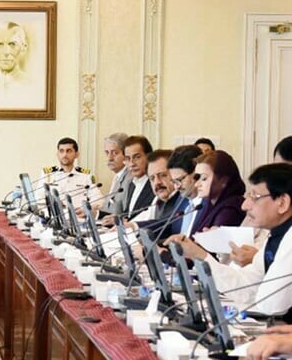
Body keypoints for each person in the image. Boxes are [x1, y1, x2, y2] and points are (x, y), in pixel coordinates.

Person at [167, 163, 292, 317]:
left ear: (283, 202)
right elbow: (244, 286)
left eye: (255, 197)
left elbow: (271, 305)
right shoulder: (275, 235)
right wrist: (199, 255)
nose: (245, 205)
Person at [0, 22, 45, 110]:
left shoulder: (36, 88)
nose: (6, 52)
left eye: (12, 44)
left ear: (24, 48)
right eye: (0, 44)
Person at [39, 137, 101, 211]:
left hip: (78, 218)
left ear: (77, 154)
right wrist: (52, 204)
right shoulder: (48, 174)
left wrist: (85, 209)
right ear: (57, 154)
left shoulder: (86, 176)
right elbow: (38, 199)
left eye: (69, 151)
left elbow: (98, 200)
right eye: (61, 151)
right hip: (55, 218)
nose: (65, 155)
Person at [120, 135, 156, 216]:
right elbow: (129, 215)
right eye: (128, 159)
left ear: (148, 156)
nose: (132, 164)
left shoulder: (155, 184)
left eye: (137, 157)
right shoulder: (132, 184)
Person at [102, 132, 131, 213]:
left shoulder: (130, 179)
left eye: (115, 153)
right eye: (107, 152)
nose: (109, 158)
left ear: (126, 154)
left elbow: (123, 213)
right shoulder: (117, 177)